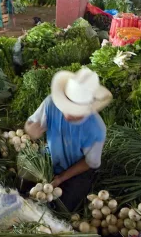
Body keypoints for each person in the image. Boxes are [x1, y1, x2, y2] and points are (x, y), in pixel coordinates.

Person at [24, 68, 112, 212]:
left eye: (74, 110)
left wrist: (61, 178)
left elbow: (89, 163)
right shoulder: (51, 103)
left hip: (76, 169)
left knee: (63, 207)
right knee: (23, 183)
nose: (66, 113)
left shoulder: (96, 129)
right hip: (49, 157)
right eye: (65, 105)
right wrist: (31, 130)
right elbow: (30, 124)